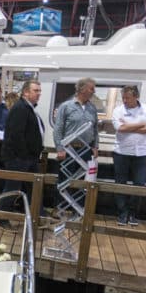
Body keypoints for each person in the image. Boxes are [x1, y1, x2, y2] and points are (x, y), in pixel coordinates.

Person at [0, 80, 45, 230]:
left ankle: (38, 217)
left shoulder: (28, 108)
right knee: (12, 189)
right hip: (18, 159)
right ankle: (2, 219)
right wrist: (25, 156)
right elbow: (16, 136)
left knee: (34, 188)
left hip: (28, 158)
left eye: (39, 91)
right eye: (36, 90)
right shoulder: (20, 108)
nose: (39, 93)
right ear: (26, 92)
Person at [112, 85, 146, 226]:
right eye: (123, 98)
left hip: (141, 153)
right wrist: (142, 123)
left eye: (128, 98)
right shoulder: (118, 110)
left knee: (139, 184)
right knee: (120, 184)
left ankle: (132, 213)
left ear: (136, 97)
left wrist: (129, 126)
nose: (125, 100)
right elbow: (119, 128)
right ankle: (122, 213)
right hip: (121, 153)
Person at [53, 77, 99, 209]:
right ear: (82, 89)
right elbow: (58, 129)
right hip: (69, 150)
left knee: (83, 181)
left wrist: (95, 146)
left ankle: (78, 210)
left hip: (86, 151)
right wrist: (60, 148)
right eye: (91, 88)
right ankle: (60, 209)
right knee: (64, 180)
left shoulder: (92, 108)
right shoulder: (66, 106)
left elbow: (95, 129)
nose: (94, 91)